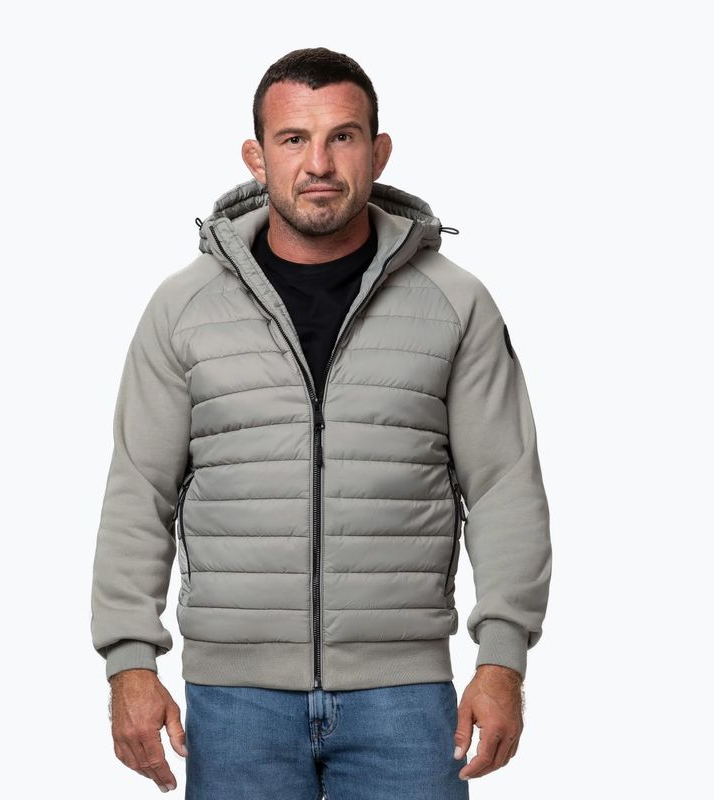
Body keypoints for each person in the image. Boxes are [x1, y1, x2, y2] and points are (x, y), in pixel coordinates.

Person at [90, 47, 552, 798]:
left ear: (378, 151)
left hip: (404, 698)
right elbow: (139, 491)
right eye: (293, 139)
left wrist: (502, 661)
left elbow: (504, 486)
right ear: (257, 156)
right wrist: (129, 663)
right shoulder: (183, 309)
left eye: (342, 136)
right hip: (235, 702)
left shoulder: (454, 302)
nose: (319, 164)